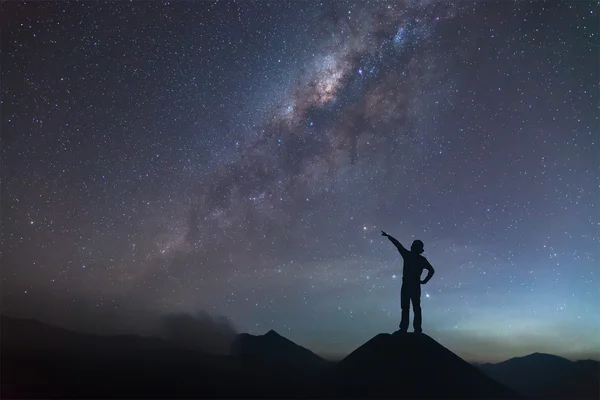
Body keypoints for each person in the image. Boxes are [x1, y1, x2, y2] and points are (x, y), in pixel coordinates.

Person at [381, 231, 435, 334]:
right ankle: (415, 329)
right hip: (413, 285)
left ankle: (406, 328)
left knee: (407, 307)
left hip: (408, 285)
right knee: (414, 307)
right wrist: (424, 281)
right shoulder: (421, 259)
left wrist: (388, 236)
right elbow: (431, 270)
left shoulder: (408, 255)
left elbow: (398, 245)